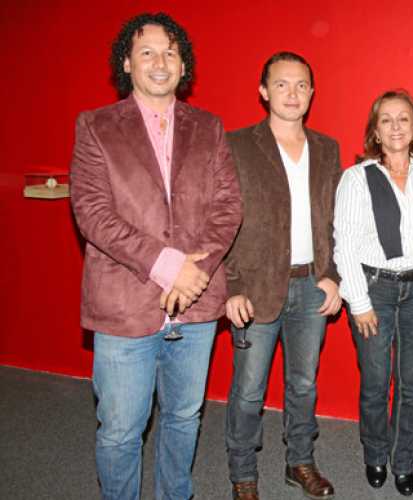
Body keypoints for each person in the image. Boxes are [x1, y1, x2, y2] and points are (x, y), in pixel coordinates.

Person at [70, 12, 241, 499]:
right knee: (122, 430)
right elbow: (92, 213)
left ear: (183, 65)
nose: (160, 62)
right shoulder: (97, 126)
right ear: (127, 63)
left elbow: (229, 206)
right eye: (147, 52)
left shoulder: (208, 126)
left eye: (170, 52)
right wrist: (169, 266)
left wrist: (195, 272)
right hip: (125, 305)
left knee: (184, 417)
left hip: (196, 305)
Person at [222, 52, 342, 500]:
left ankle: (300, 461)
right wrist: (232, 286)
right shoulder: (236, 145)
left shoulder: (327, 148)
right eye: (281, 84)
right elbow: (222, 221)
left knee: (304, 384)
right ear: (263, 91)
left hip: (312, 287)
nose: (292, 93)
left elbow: (336, 221)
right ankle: (243, 473)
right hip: (255, 289)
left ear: (312, 92)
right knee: (249, 391)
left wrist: (332, 275)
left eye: (301, 85)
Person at [333, 90, 413, 497]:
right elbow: (344, 245)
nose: (396, 126)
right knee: (375, 381)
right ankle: (375, 454)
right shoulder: (356, 178)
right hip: (375, 290)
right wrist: (359, 303)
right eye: (387, 119)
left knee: (410, 384)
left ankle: (403, 462)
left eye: (404, 118)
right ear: (376, 131)